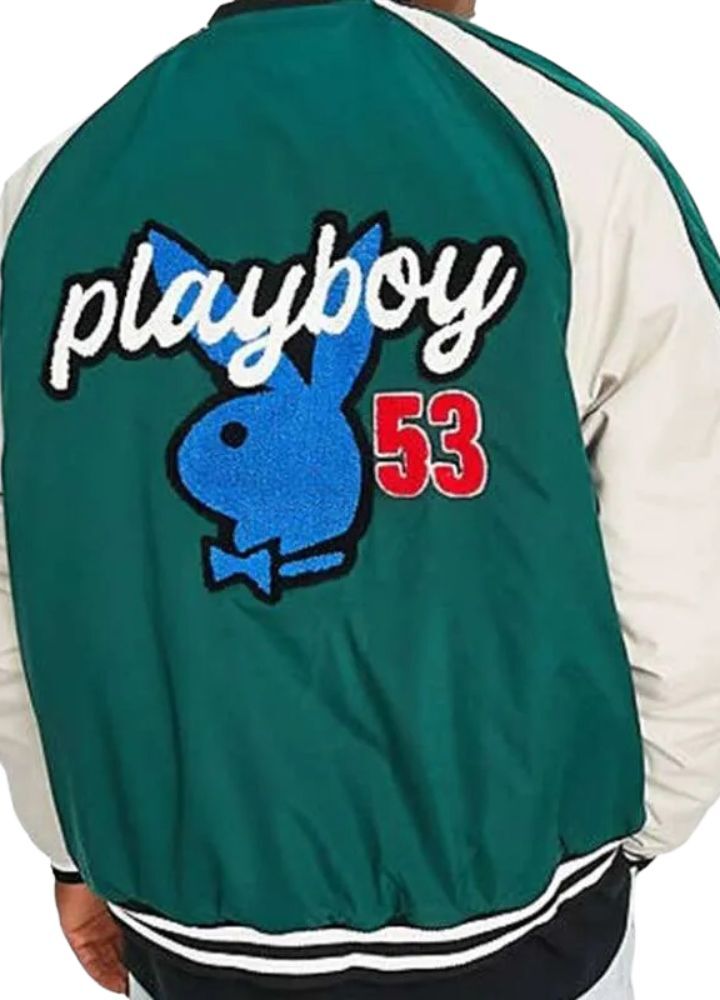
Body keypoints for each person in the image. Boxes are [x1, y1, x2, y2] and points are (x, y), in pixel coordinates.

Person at [1, 0, 719, 997]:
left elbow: (24, 579)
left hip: (189, 926)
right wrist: (633, 833)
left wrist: (73, 844)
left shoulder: (50, 194)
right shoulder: (571, 151)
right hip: (531, 919)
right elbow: (689, 555)